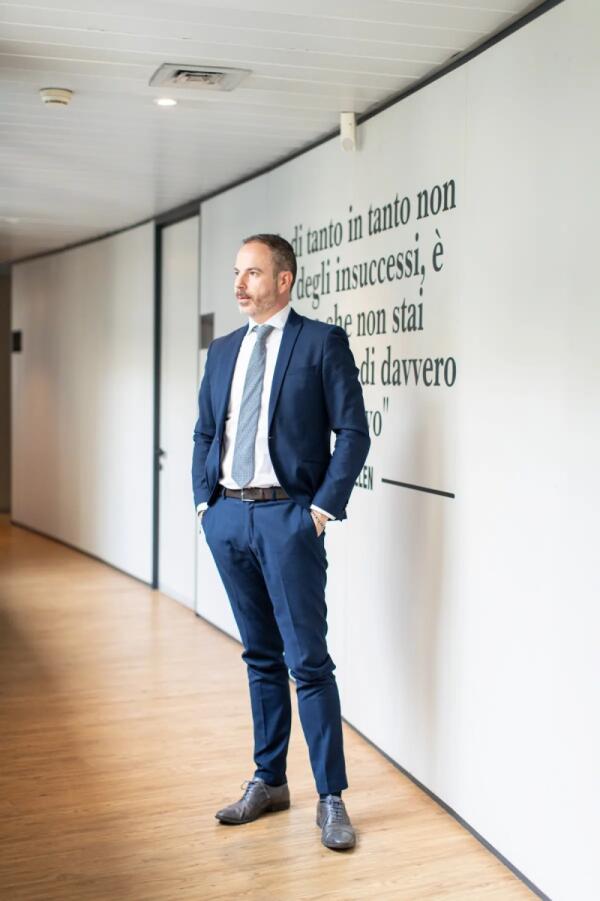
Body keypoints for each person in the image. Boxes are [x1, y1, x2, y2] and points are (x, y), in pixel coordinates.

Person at [192, 233, 370, 851]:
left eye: (252, 273)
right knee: (260, 656)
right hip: (229, 518)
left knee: (308, 663)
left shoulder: (320, 343)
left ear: (284, 279)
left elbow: (353, 432)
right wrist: (205, 504)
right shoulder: (222, 351)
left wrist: (318, 511)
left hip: (287, 520)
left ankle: (331, 797)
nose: (240, 284)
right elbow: (205, 431)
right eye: (236, 273)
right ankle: (269, 781)